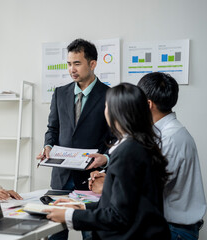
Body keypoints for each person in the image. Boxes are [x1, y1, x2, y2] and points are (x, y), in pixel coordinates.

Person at [44, 83, 171, 240]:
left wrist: (69, 215)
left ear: (115, 113)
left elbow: (119, 216)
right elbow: (125, 205)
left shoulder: (128, 152)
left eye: (106, 107)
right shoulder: (141, 144)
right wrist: (80, 206)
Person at [37, 38, 112, 191]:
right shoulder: (60, 93)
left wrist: (106, 159)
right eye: (69, 64)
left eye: (77, 64)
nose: (72, 69)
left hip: (92, 177)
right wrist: (48, 145)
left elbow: (115, 137)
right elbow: (52, 128)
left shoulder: (109, 95)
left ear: (92, 64)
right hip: (61, 178)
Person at [137, 72, 206, 240]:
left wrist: (110, 184)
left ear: (148, 104)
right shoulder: (163, 132)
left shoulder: (170, 138)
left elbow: (150, 186)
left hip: (175, 231)